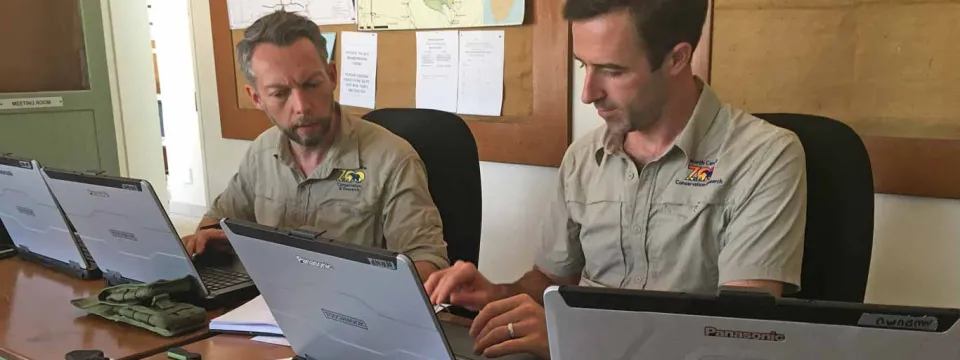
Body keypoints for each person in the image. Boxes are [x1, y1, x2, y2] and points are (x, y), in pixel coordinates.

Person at [424, 0, 807, 358]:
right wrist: (497, 295)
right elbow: (551, 283)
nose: (589, 93)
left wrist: (576, 339)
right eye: (582, 66)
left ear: (677, 58)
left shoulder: (764, 157)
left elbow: (739, 338)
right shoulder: (583, 157)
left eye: (612, 70)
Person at [181, 11, 449, 279]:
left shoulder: (393, 160)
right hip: (268, 304)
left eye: (311, 84)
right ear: (256, 97)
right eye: (279, 93)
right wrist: (205, 237)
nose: (301, 107)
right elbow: (218, 218)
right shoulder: (262, 151)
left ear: (331, 76)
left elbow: (427, 266)